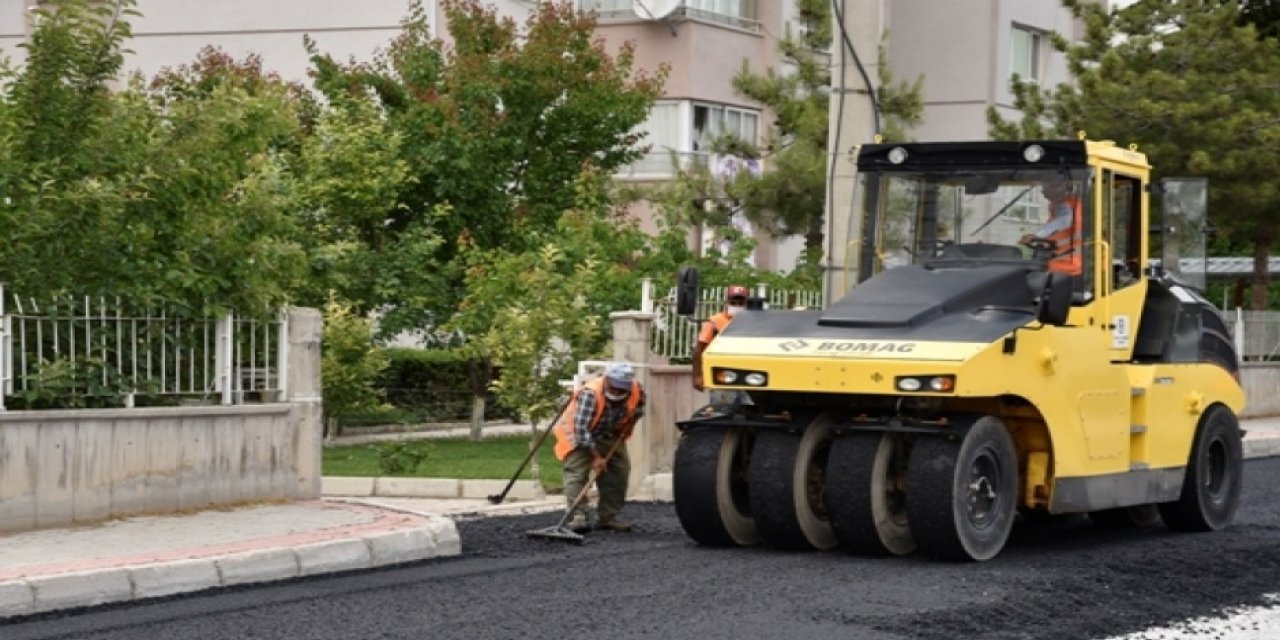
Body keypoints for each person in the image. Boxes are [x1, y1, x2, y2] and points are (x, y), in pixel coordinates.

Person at [552, 362, 646, 533]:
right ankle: (578, 517)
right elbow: (581, 429)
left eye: (622, 389)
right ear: (607, 379)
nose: (618, 392)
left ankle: (607, 517)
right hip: (577, 434)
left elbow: (638, 409)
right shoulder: (591, 393)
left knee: (619, 472)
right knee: (576, 474)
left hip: (609, 434)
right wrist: (596, 457)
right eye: (615, 387)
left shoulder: (636, 390)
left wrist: (632, 421)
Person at [1020, 176, 1083, 275]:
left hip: (1069, 265)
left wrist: (1037, 236)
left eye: (1046, 188)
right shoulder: (1070, 204)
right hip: (1067, 261)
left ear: (1060, 187)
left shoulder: (1065, 204)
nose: (1043, 192)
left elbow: (1065, 220)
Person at [692, 285, 749, 393]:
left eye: (741, 303)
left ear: (746, 304)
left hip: (748, 376)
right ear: (727, 302)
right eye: (733, 302)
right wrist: (697, 376)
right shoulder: (714, 321)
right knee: (723, 407)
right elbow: (699, 349)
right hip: (722, 377)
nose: (737, 306)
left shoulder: (751, 322)